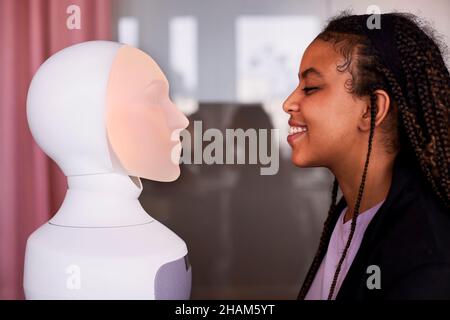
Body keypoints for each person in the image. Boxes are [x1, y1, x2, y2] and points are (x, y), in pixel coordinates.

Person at [283, 12, 450, 299]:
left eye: (310, 88)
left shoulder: (426, 256)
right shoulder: (351, 214)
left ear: (372, 110)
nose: (289, 103)